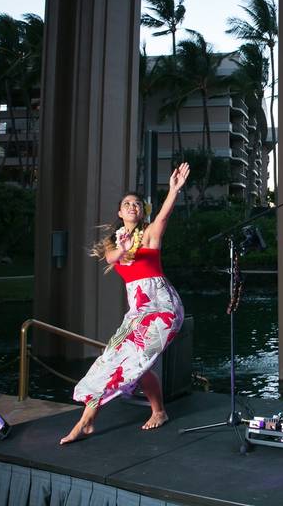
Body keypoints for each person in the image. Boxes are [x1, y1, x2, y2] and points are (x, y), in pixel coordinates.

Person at [60, 162, 191, 445]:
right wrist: (121, 249)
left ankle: (95, 420)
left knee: (137, 358)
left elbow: (163, 219)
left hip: (163, 307)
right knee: (111, 359)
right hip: (138, 310)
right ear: (120, 212)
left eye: (137, 203)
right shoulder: (114, 243)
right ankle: (90, 419)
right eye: (127, 203)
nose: (132, 206)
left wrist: (174, 190)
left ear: (142, 211)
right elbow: (110, 259)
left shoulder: (149, 235)